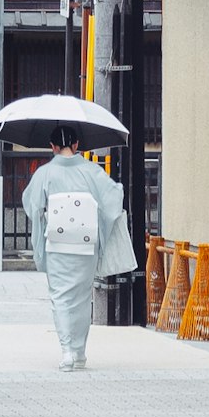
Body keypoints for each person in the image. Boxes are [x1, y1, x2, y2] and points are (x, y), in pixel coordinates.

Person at [22, 126, 135, 370]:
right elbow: (113, 197)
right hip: (85, 246)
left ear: (52, 146)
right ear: (76, 145)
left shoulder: (44, 173)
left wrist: (46, 212)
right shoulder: (91, 171)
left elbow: (31, 204)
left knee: (60, 298)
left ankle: (66, 352)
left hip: (57, 246)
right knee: (82, 299)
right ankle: (80, 352)